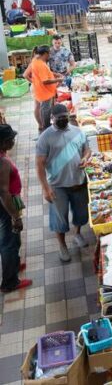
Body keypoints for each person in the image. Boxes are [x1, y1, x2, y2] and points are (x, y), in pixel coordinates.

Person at [37, 104, 90, 263]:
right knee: (59, 219)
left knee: (80, 213)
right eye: (59, 118)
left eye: (65, 117)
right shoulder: (45, 137)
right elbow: (39, 164)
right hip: (58, 185)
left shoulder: (77, 131)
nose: (62, 120)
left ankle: (77, 234)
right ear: (52, 118)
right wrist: (45, 189)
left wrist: (86, 158)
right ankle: (62, 245)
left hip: (78, 182)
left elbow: (87, 150)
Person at [0, 125, 31, 293]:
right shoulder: (2, 162)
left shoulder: (2, 155)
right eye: (11, 139)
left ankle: (14, 265)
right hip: (6, 206)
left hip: (8, 204)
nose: (13, 141)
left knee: (13, 239)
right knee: (9, 242)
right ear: (4, 142)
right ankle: (9, 282)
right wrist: (15, 217)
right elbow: (3, 192)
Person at [26, 46, 64, 132]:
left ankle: (46, 127)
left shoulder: (36, 60)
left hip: (43, 91)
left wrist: (55, 74)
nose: (49, 56)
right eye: (49, 54)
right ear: (45, 54)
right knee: (46, 112)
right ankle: (47, 129)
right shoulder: (40, 65)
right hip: (45, 93)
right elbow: (45, 81)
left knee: (45, 111)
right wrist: (59, 79)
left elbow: (45, 74)